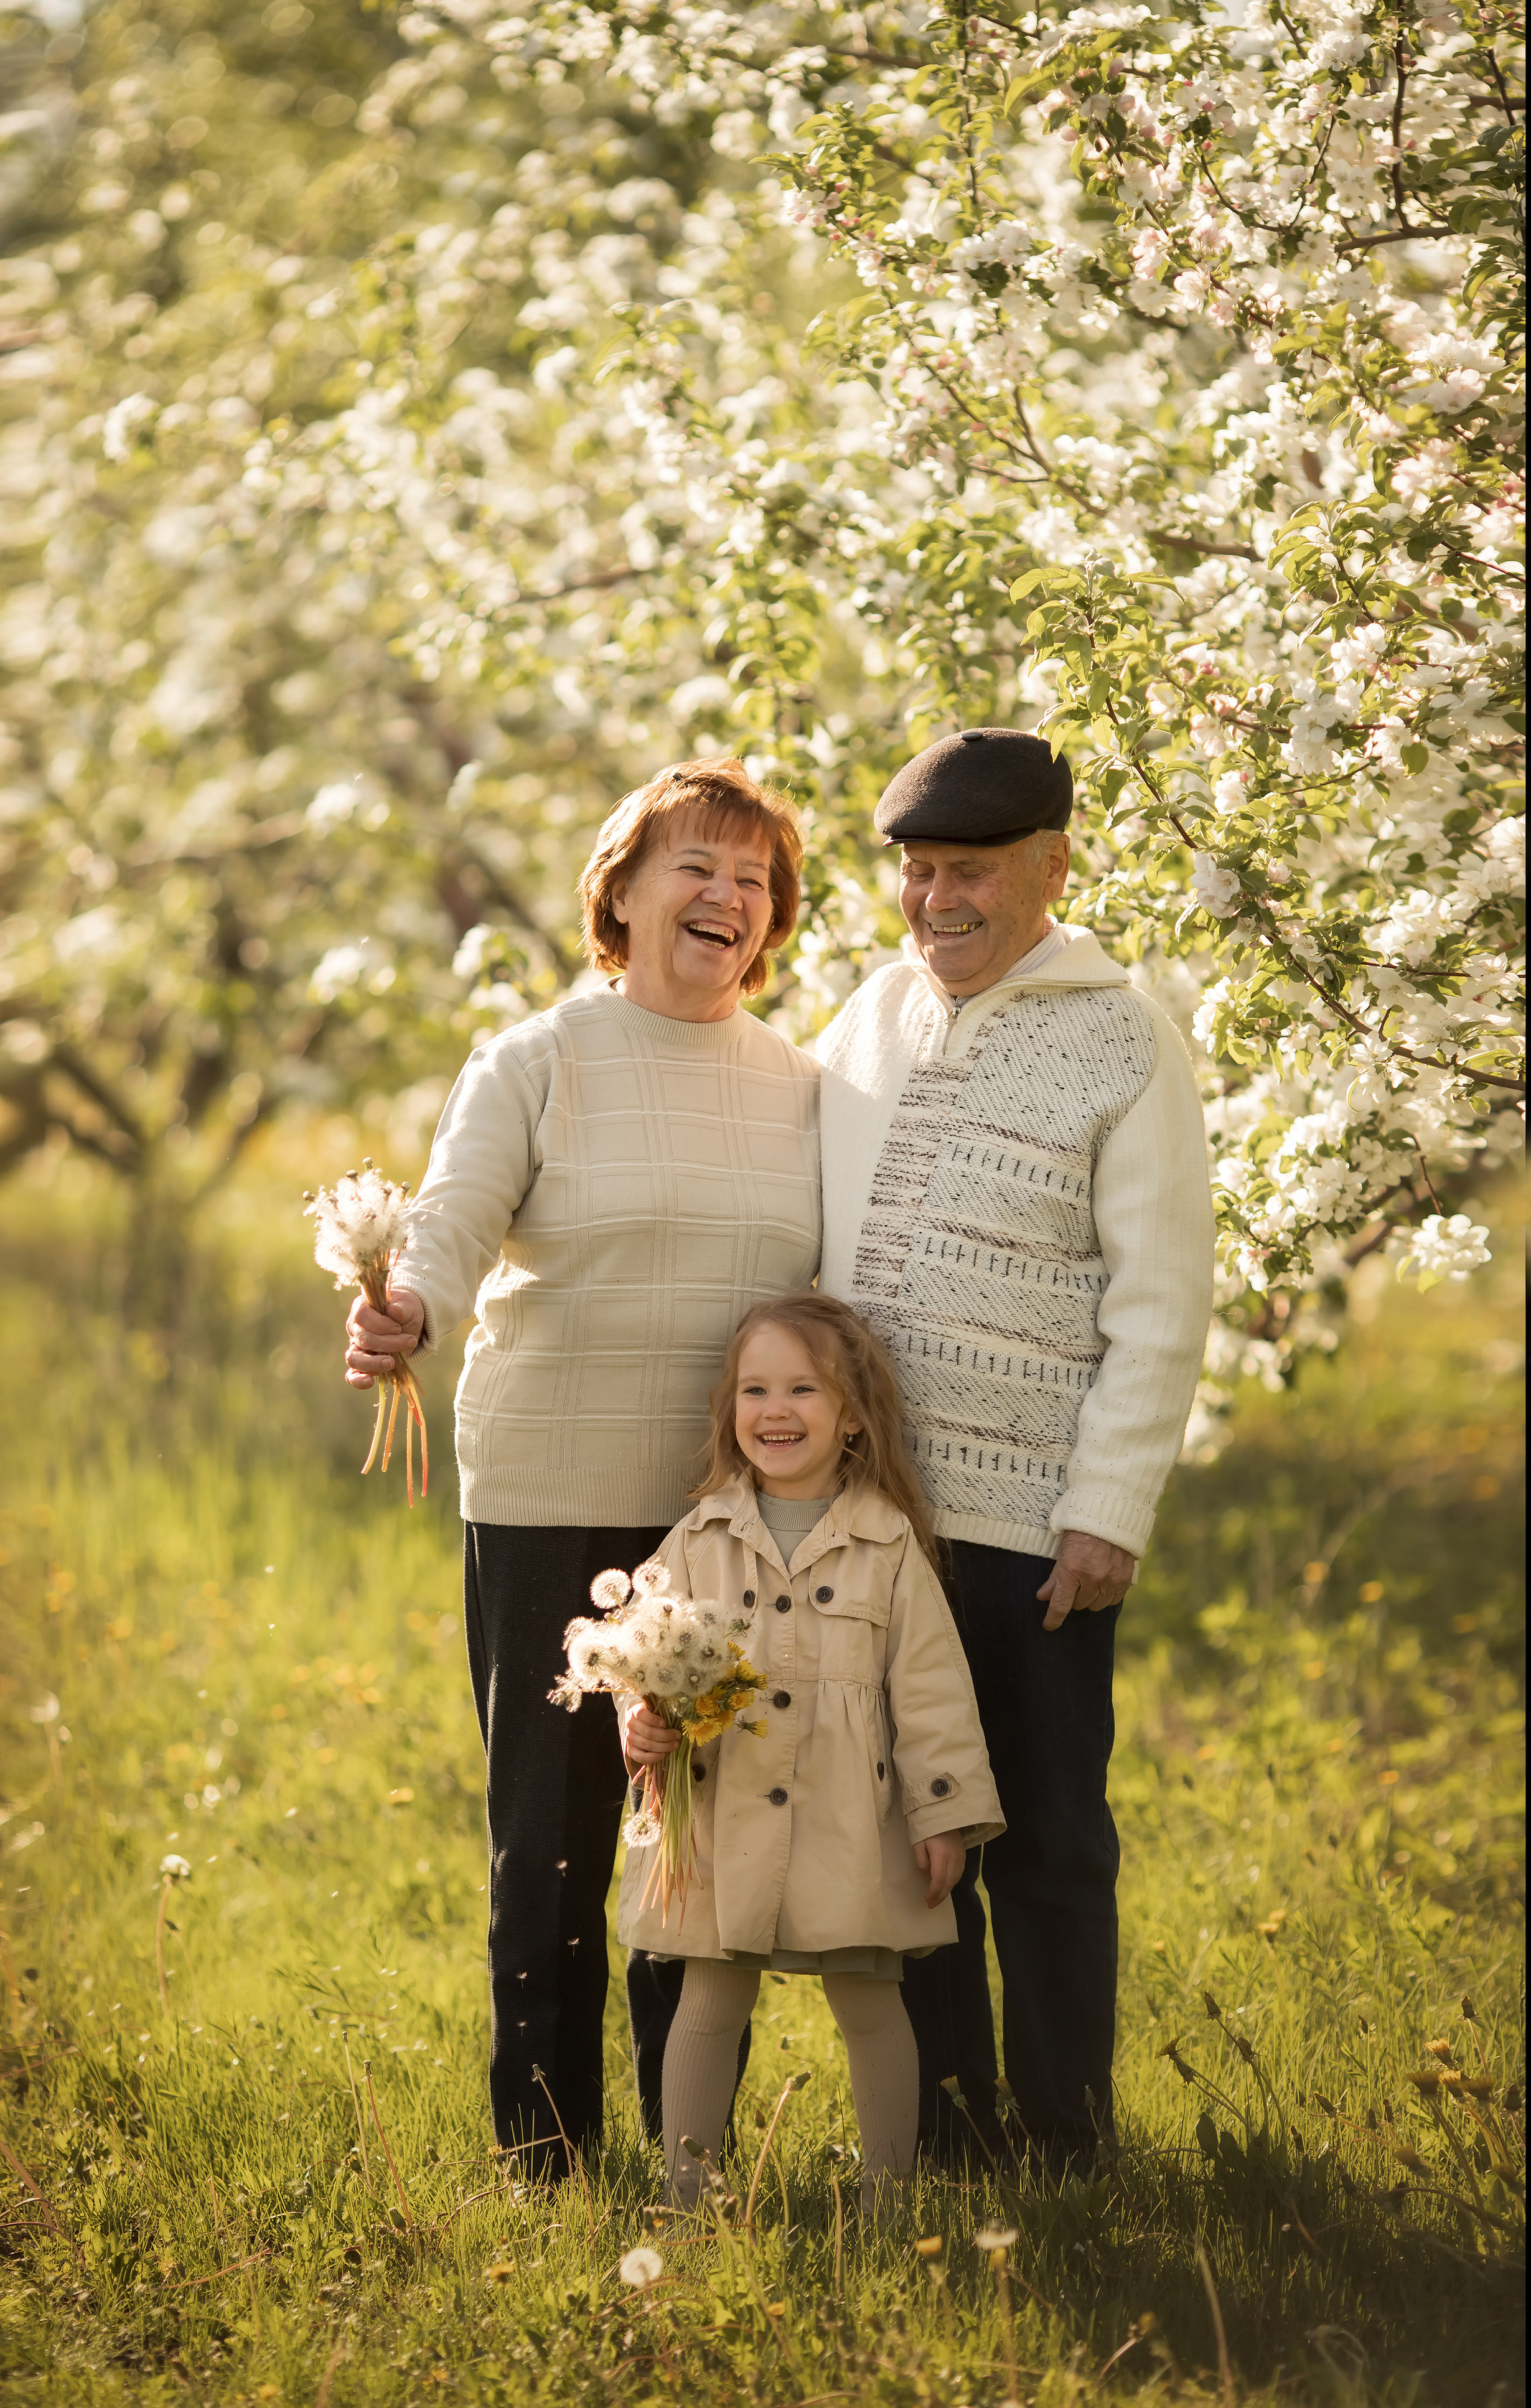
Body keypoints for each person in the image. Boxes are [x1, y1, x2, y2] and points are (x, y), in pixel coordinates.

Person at [344, 757, 822, 2181]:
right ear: (618, 890)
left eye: (753, 879)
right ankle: (544, 2151)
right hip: (549, 1496)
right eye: (695, 865)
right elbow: (450, 1225)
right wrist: (404, 1308)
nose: (726, 896)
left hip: (716, 1522)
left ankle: (692, 2147)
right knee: (550, 1834)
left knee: (697, 1834)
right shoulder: (535, 1059)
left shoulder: (801, 1088)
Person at [815, 727, 1214, 2173]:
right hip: (872, 1524)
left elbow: (1161, 1296)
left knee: (1045, 1837)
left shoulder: (1124, 1035)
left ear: (1051, 864)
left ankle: (1065, 2135)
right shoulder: (865, 1017)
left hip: (1035, 1529)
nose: (936, 902)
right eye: (917, 872)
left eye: (968, 871)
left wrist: (1105, 1509)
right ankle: (945, 2131)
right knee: (909, 1838)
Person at [617, 1293, 1004, 2215]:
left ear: (854, 1414)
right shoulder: (701, 1535)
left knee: (871, 1998)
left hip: (850, 1810)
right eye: (755, 1388)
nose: (775, 1408)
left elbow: (932, 1686)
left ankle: (887, 2194)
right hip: (722, 1805)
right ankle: (688, 2190)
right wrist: (639, 1722)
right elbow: (638, 1652)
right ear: (730, 1406)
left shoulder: (888, 1543)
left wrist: (944, 1809)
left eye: (803, 1387)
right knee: (709, 1996)